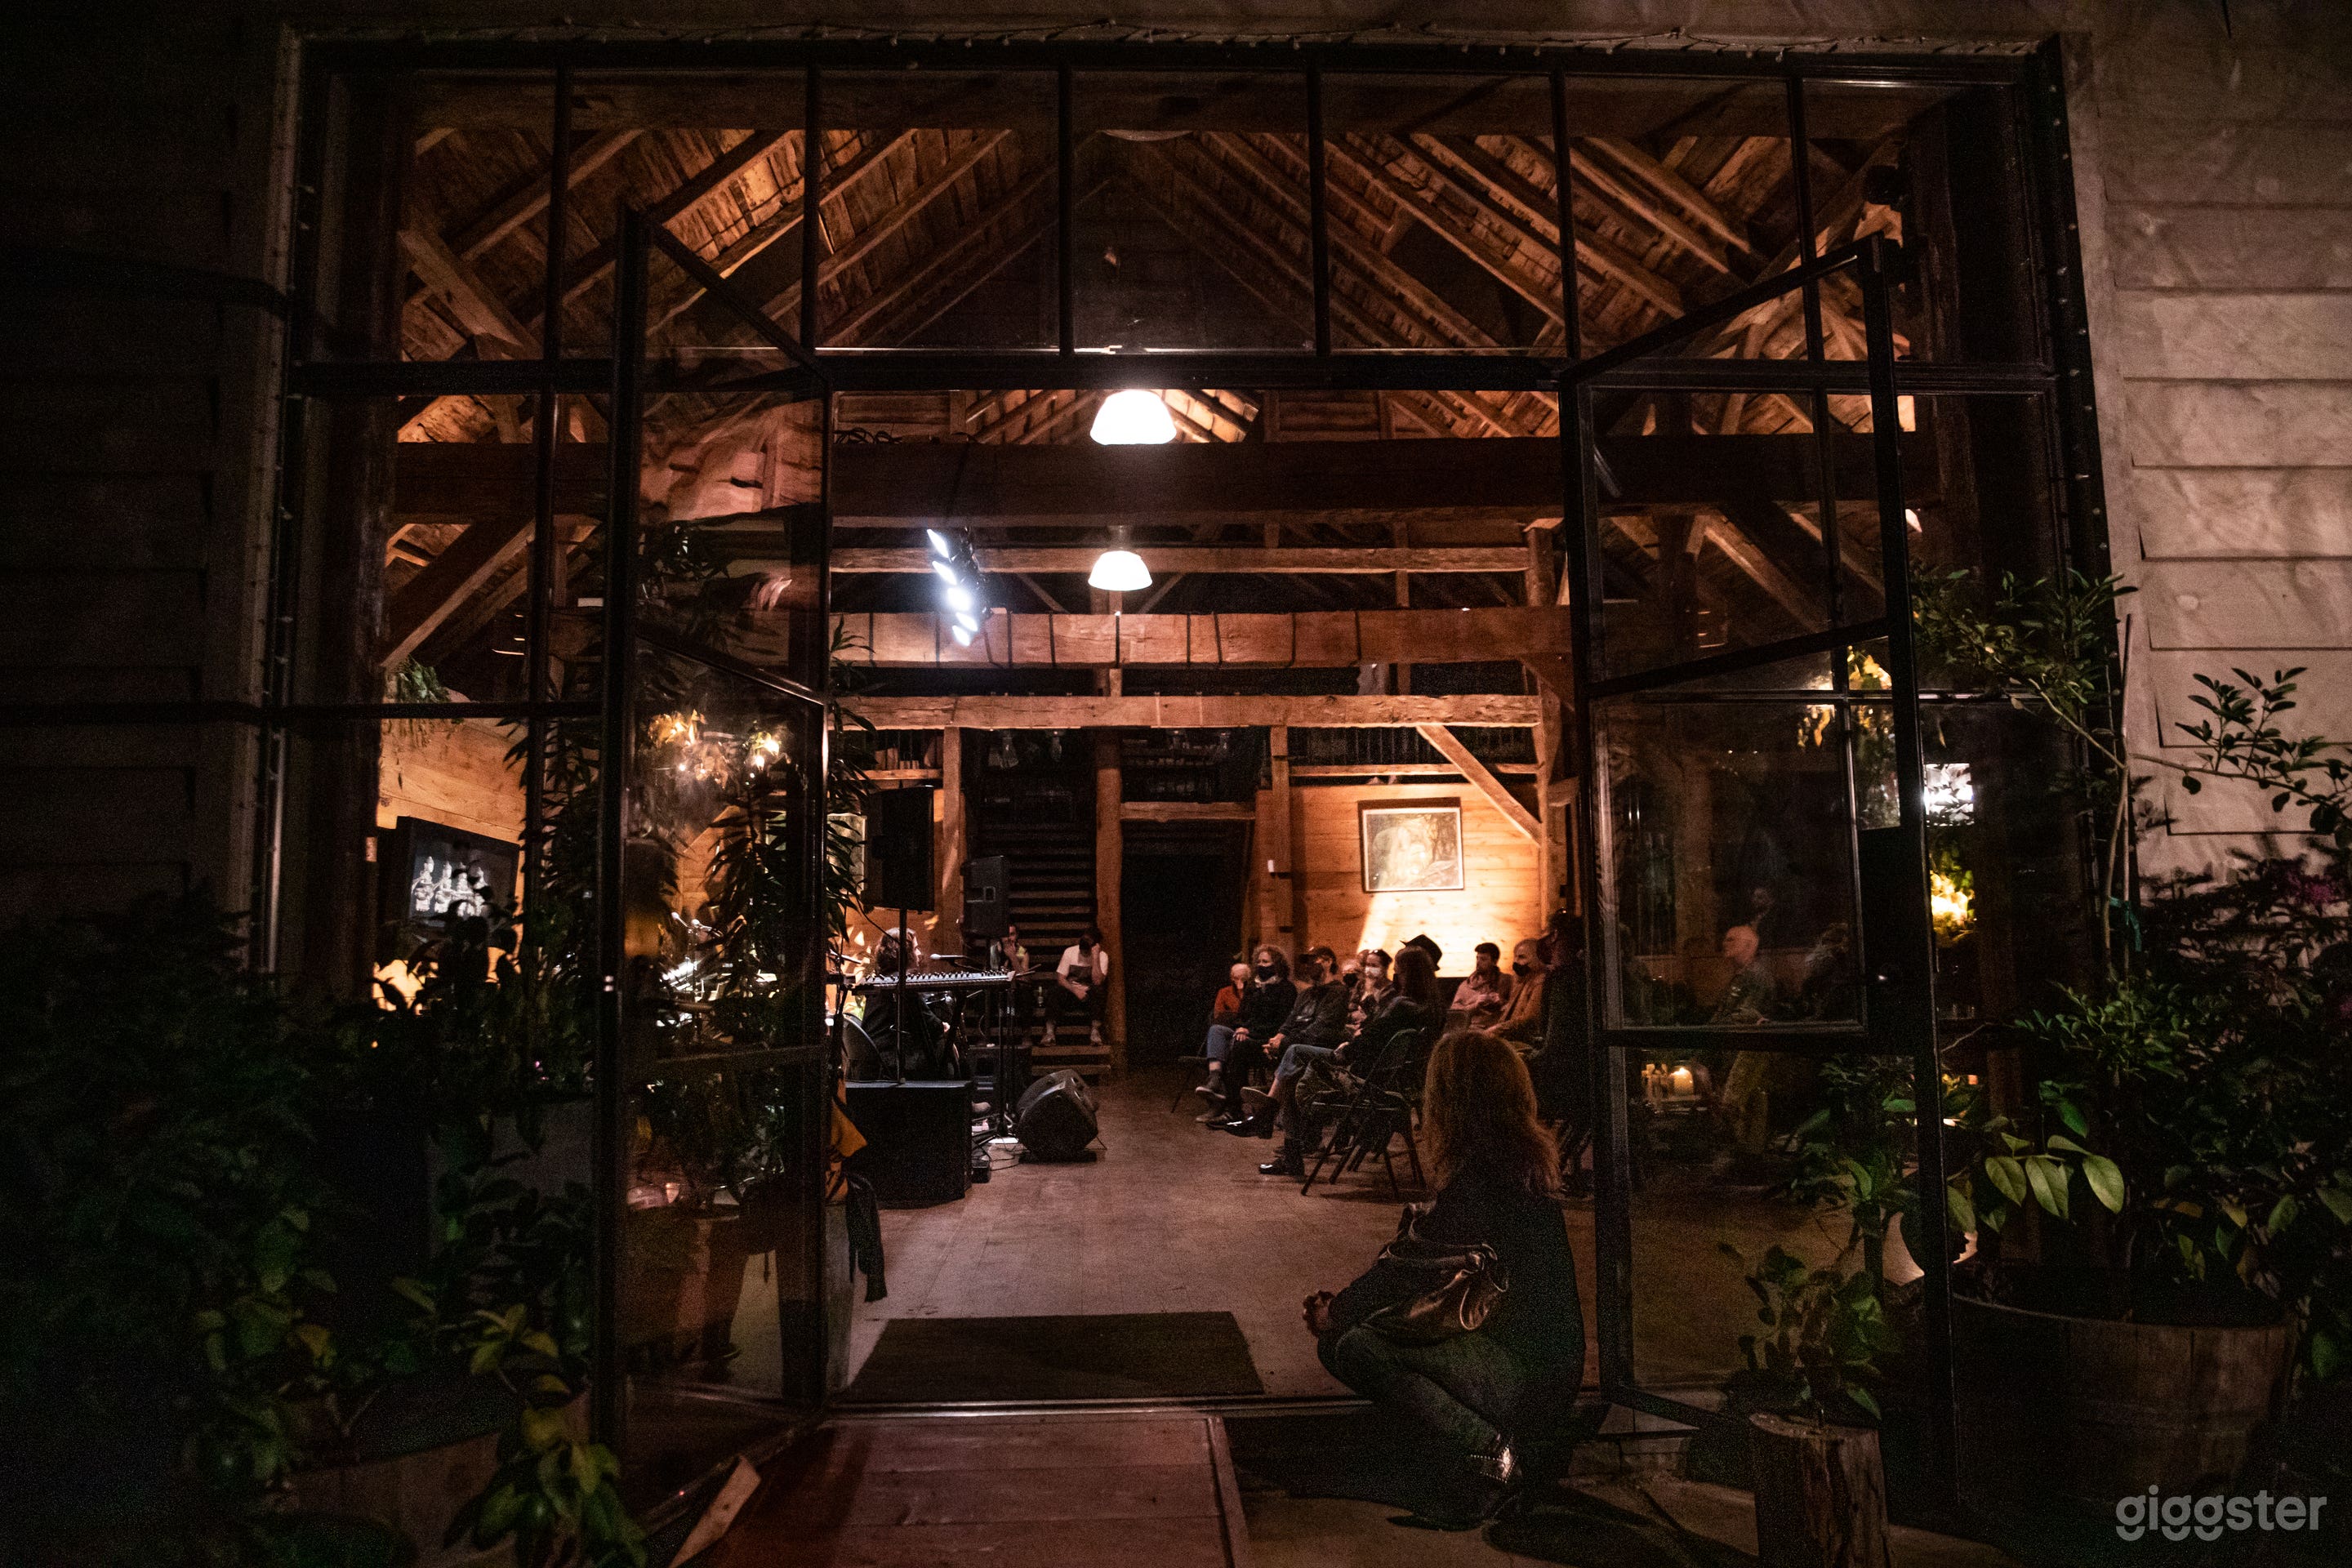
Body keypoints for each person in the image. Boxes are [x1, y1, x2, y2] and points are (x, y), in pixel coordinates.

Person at [1305, 1030, 1586, 1530]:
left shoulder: (1487, 1173)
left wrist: (1339, 1309)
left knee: (1353, 1347)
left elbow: (1408, 1270)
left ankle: (1493, 1455)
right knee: (1352, 1335)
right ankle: (1474, 1451)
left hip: (1522, 1373)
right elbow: (1422, 1264)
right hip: (1542, 1365)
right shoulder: (1518, 1160)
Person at [1221, 946, 1347, 1159]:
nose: (1307, 965)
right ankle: (1289, 1148)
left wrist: (1284, 1042)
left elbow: (1320, 1030)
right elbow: (1289, 1022)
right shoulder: (1307, 993)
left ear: (1327, 961)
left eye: (1312, 960)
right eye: (1305, 961)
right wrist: (1278, 1038)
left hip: (1320, 1050)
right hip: (1294, 1046)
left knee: (1293, 1056)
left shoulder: (1338, 992)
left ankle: (1266, 1117)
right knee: (1247, 1047)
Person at [1205, 945, 1297, 1123]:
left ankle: (1232, 1109)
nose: (1261, 965)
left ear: (1276, 964)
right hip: (1247, 1034)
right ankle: (1214, 1080)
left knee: (1238, 1048)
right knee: (1218, 1031)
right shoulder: (1253, 988)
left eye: (1266, 962)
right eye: (1259, 962)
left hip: (1268, 1038)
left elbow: (1281, 1023)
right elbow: (1242, 1016)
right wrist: (1241, 1028)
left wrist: (1250, 1031)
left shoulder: (1286, 989)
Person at [1191, 960, 1253, 1113]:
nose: (1238, 981)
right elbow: (1219, 1016)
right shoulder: (1224, 992)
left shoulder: (1254, 992)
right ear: (1231, 978)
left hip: (1248, 1031)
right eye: (1235, 977)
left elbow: (1252, 1015)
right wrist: (1236, 1018)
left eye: (1242, 978)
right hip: (1229, 1030)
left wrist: (1243, 996)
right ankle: (1215, 1079)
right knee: (1216, 1031)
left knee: (1228, 1049)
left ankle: (1222, 1099)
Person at [1056, 926, 1111, 1045]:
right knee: (1056, 990)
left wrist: (1095, 958)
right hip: (1072, 994)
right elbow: (1060, 979)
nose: (1084, 954)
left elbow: (1097, 982)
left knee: (1099, 990)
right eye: (1082, 951)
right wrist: (1075, 991)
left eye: (1087, 951)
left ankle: (1095, 1031)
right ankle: (1049, 1032)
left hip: (1090, 996)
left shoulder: (1102, 956)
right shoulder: (1070, 952)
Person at [1492, 938, 1546, 1047]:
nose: (1515, 962)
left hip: (1526, 1043)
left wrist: (1497, 1030)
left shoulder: (1540, 981)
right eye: (1515, 957)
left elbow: (1529, 1019)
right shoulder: (1522, 980)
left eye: (1521, 957)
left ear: (1537, 959)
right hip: (1512, 1040)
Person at [1449, 942, 1512, 1028]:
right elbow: (1454, 1013)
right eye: (1477, 958)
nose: (1478, 962)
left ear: (1494, 961)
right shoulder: (1466, 985)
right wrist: (1475, 1005)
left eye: (1483, 959)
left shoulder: (1506, 981)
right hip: (1471, 1029)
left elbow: (1517, 1007)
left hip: (1496, 1030)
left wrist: (1501, 1002)